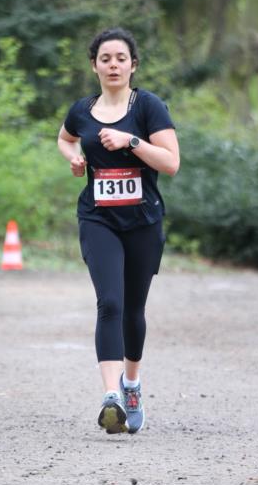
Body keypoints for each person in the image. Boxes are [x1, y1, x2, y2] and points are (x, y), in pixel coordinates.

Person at [57, 28, 180, 434]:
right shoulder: (81, 110)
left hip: (143, 221)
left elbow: (171, 162)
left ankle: (131, 384)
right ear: (94, 65)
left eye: (121, 58)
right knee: (109, 302)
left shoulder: (148, 107)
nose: (113, 65)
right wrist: (75, 158)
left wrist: (131, 142)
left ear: (132, 65)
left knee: (133, 310)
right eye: (105, 58)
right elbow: (65, 138)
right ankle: (111, 397)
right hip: (98, 218)